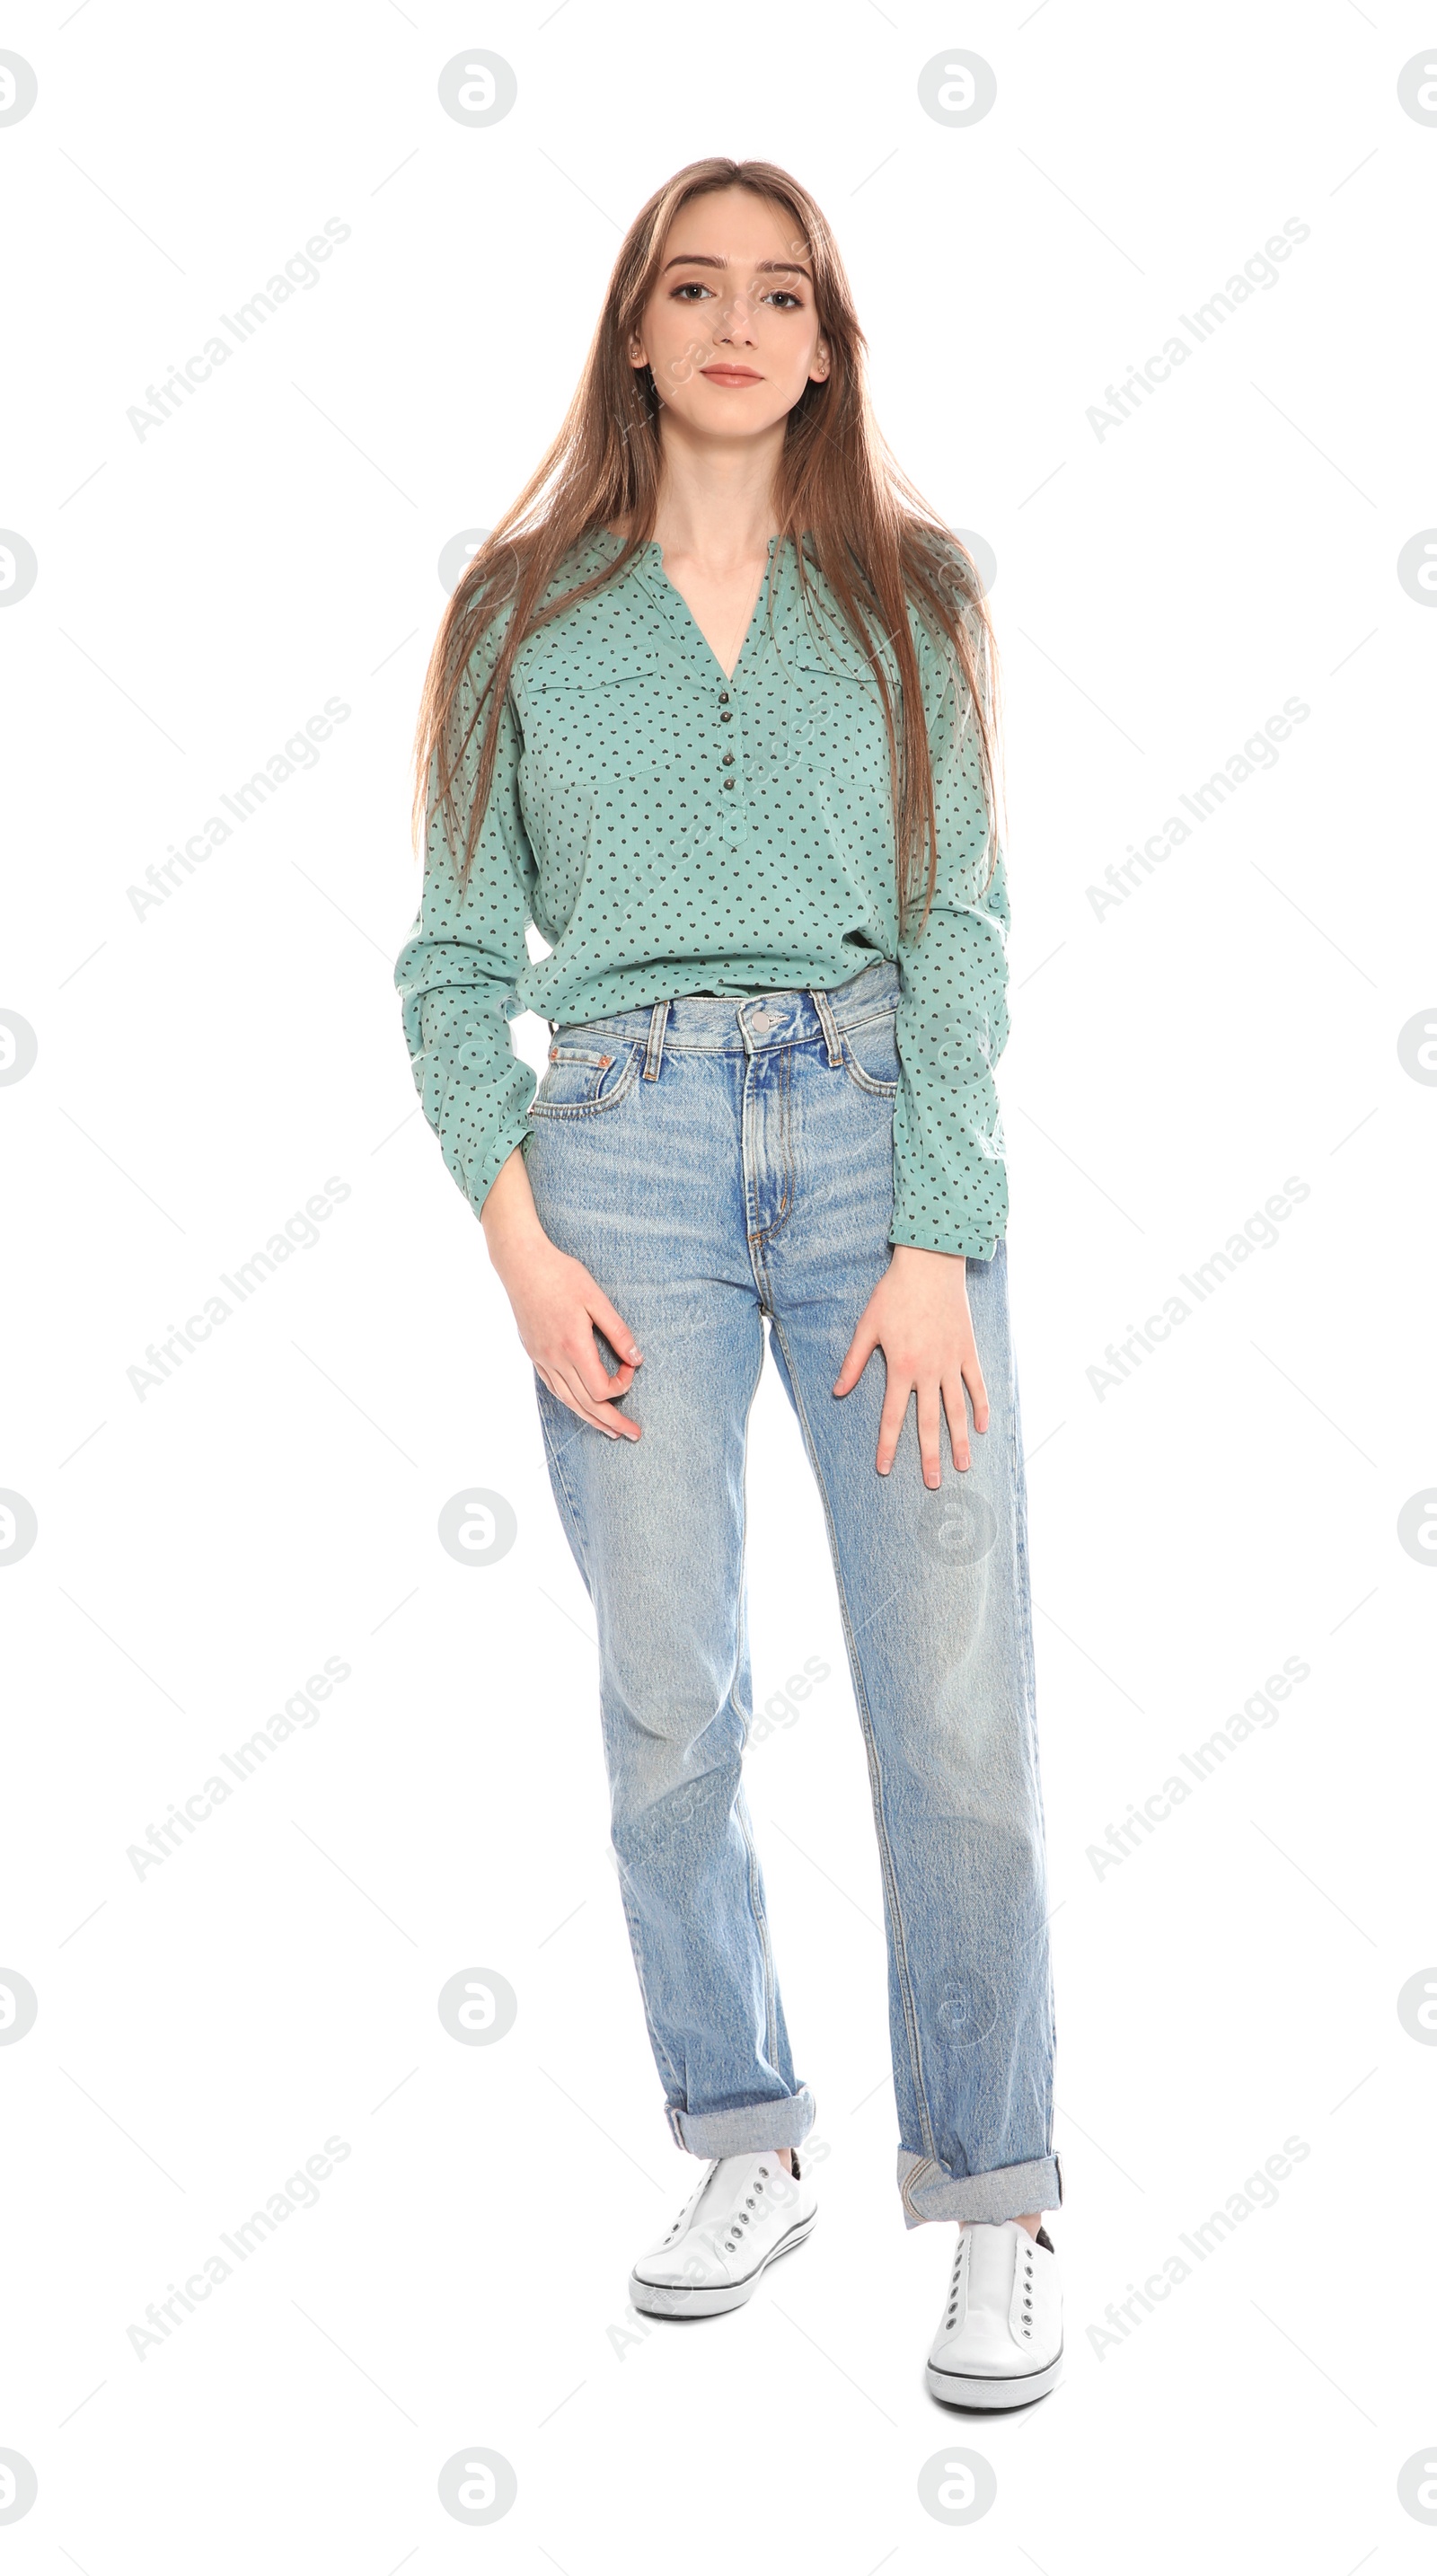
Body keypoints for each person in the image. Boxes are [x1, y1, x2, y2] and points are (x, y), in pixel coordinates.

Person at [396, 156, 1062, 2408]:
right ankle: (741, 2134)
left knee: (948, 1700)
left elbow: (958, 915)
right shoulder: (518, 615)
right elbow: (453, 963)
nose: (738, 322)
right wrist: (519, 1245)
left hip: (879, 1135)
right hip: (619, 1166)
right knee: (668, 1694)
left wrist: (943, 1232)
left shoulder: (909, 593)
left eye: (781, 291)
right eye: (696, 286)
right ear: (634, 329)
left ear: (826, 339)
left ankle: (990, 2194)